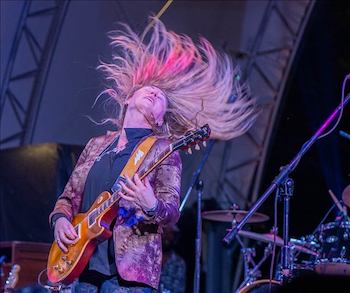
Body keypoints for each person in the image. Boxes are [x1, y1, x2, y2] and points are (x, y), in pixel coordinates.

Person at [49, 17, 256, 293]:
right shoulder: (97, 144)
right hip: (83, 269)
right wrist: (60, 220)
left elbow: (171, 212)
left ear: (159, 120)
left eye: (160, 97)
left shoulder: (162, 150)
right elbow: (67, 199)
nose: (154, 94)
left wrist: (151, 205)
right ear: (127, 99)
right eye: (148, 90)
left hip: (129, 276)